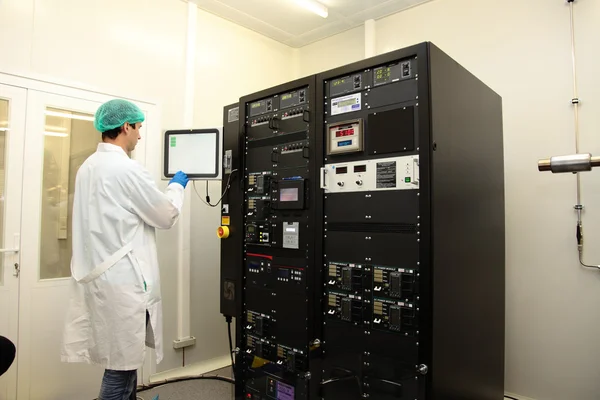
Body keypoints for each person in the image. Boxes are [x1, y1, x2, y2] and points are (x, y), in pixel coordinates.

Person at [60, 99, 189, 400]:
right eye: (139, 128)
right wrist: (177, 186)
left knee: (124, 358)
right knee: (120, 366)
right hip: (123, 283)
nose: (140, 136)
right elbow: (165, 214)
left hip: (102, 277)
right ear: (126, 126)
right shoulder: (126, 169)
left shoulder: (88, 167)